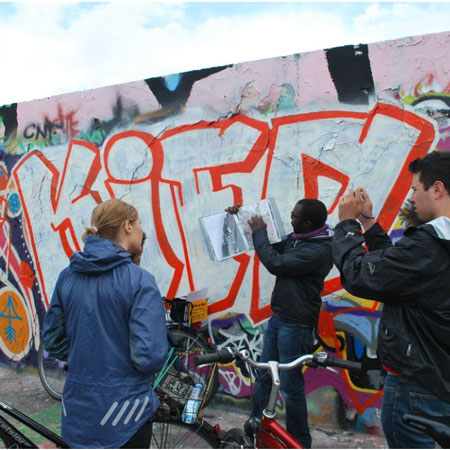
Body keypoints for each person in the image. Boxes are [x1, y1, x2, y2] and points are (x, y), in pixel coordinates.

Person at [332, 151, 450, 449]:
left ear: (437, 189)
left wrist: (347, 224)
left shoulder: (428, 246)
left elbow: (361, 276)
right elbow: (399, 274)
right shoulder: (434, 245)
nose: (411, 197)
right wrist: (369, 222)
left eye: (415, 188)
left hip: (417, 387)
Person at [42, 199, 169, 449]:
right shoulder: (140, 281)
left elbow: (53, 341)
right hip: (126, 416)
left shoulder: (68, 276)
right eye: (140, 224)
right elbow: (149, 357)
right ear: (127, 226)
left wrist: (89, 356)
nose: (143, 231)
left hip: (77, 412)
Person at [226, 199, 333, 448]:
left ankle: (299, 442)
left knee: (290, 385)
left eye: (294, 216)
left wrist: (259, 231)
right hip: (280, 318)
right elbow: (273, 246)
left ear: (307, 223)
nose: (290, 218)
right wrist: (241, 216)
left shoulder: (319, 249)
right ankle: (257, 427)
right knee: (264, 375)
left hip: (295, 325)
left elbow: (276, 262)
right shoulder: (301, 237)